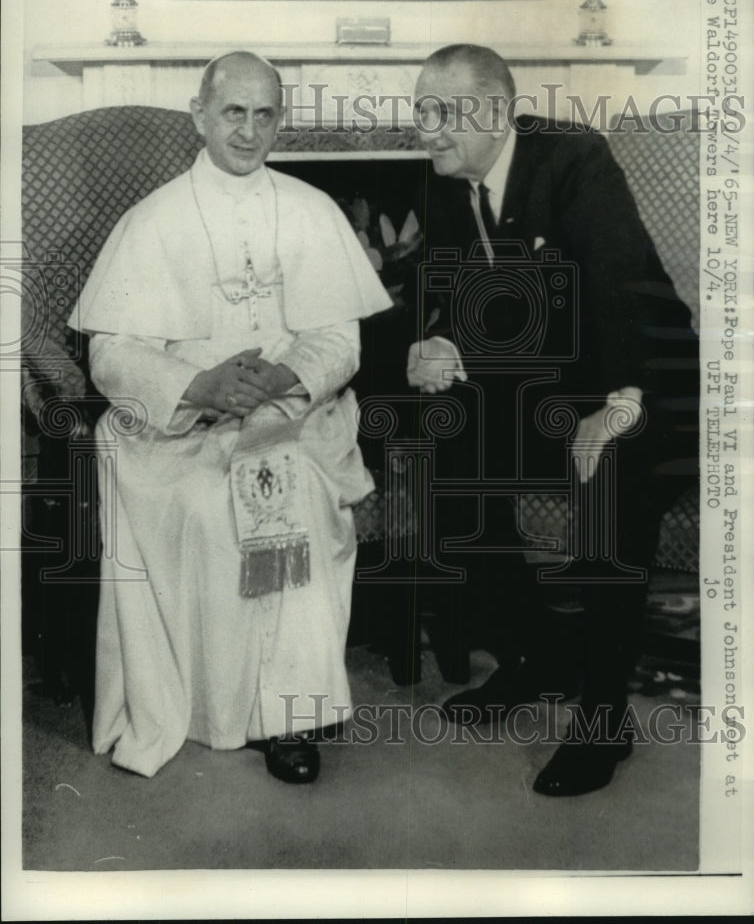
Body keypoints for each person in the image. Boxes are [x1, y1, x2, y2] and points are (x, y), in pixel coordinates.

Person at [68, 51, 391, 783]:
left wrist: (280, 376)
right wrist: (201, 384)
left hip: (291, 420)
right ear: (201, 116)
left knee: (295, 507)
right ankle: (211, 708)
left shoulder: (312, 210)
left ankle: (288, 718)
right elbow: (112, 356)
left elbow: (342, 340)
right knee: (211, 514)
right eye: (233, 113)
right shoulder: (151, 221)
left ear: (280, 120)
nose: (248, 131)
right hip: (181, 432)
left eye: (265, 114)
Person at [407, 44, 698, 796]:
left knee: (608, 476)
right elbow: (452, 291)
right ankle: (529, 659)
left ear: (498, 111)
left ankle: (605, 718)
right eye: (421, 112)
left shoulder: (574, 158)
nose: (426, 130)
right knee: (451, 458)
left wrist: (620, 404)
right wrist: (438, 338)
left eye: (443, 113)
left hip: (645, 380)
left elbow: (620, 290)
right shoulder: (447, 179)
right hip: (543, 383)